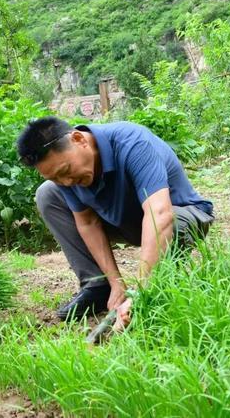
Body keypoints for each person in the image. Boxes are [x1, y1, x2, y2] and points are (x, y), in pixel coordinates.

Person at [16, 116, 213, 328]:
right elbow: (87, 223)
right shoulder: (65, 175)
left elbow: (160, 215)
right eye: (56, 177)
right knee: (47, 194)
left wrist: (140, 289)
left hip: (180, 216)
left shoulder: (133, 143)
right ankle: (99, 286)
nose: (66, 182)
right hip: (129, 223)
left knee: (170, 224)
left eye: (65, 171)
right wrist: (116, 283)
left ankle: (158, 287)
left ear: (78, 139)